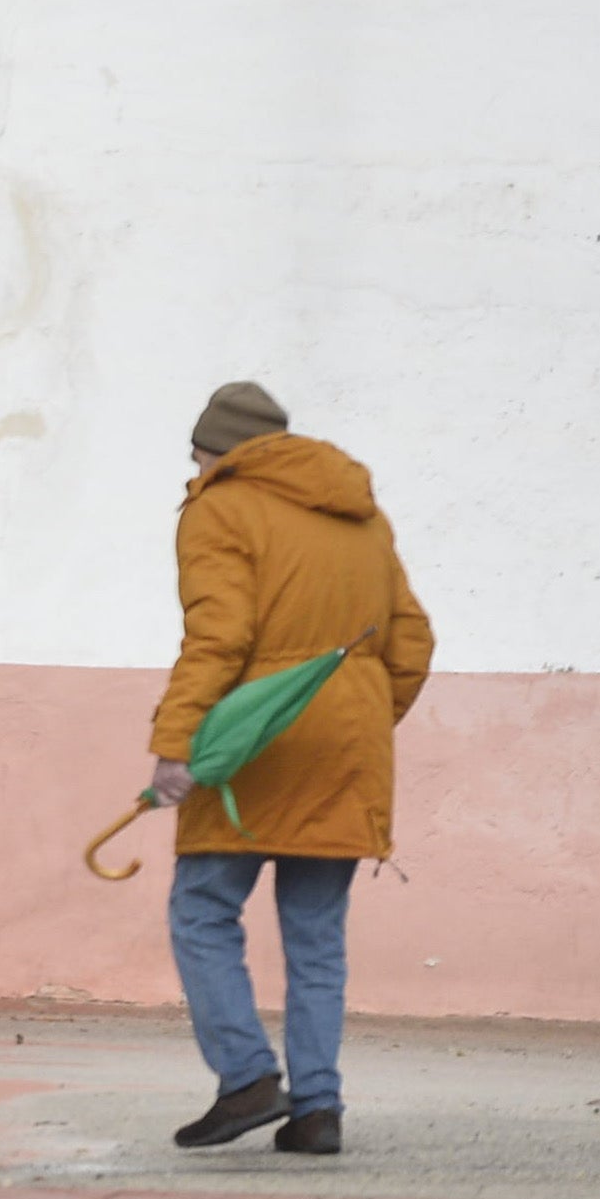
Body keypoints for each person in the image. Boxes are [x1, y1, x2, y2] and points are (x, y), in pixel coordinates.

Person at [149, 381, 433, 1157]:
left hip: (253, 739)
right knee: (315, 936)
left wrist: (175, 741)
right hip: (347, 744)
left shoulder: (218, 506)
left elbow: (218, 635)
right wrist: (362, 716)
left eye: (196, 454)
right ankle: (316, 1110)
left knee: (201, 909)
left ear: (215, 451)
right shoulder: (361, 512)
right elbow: (411, 641)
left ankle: (245, 1076)